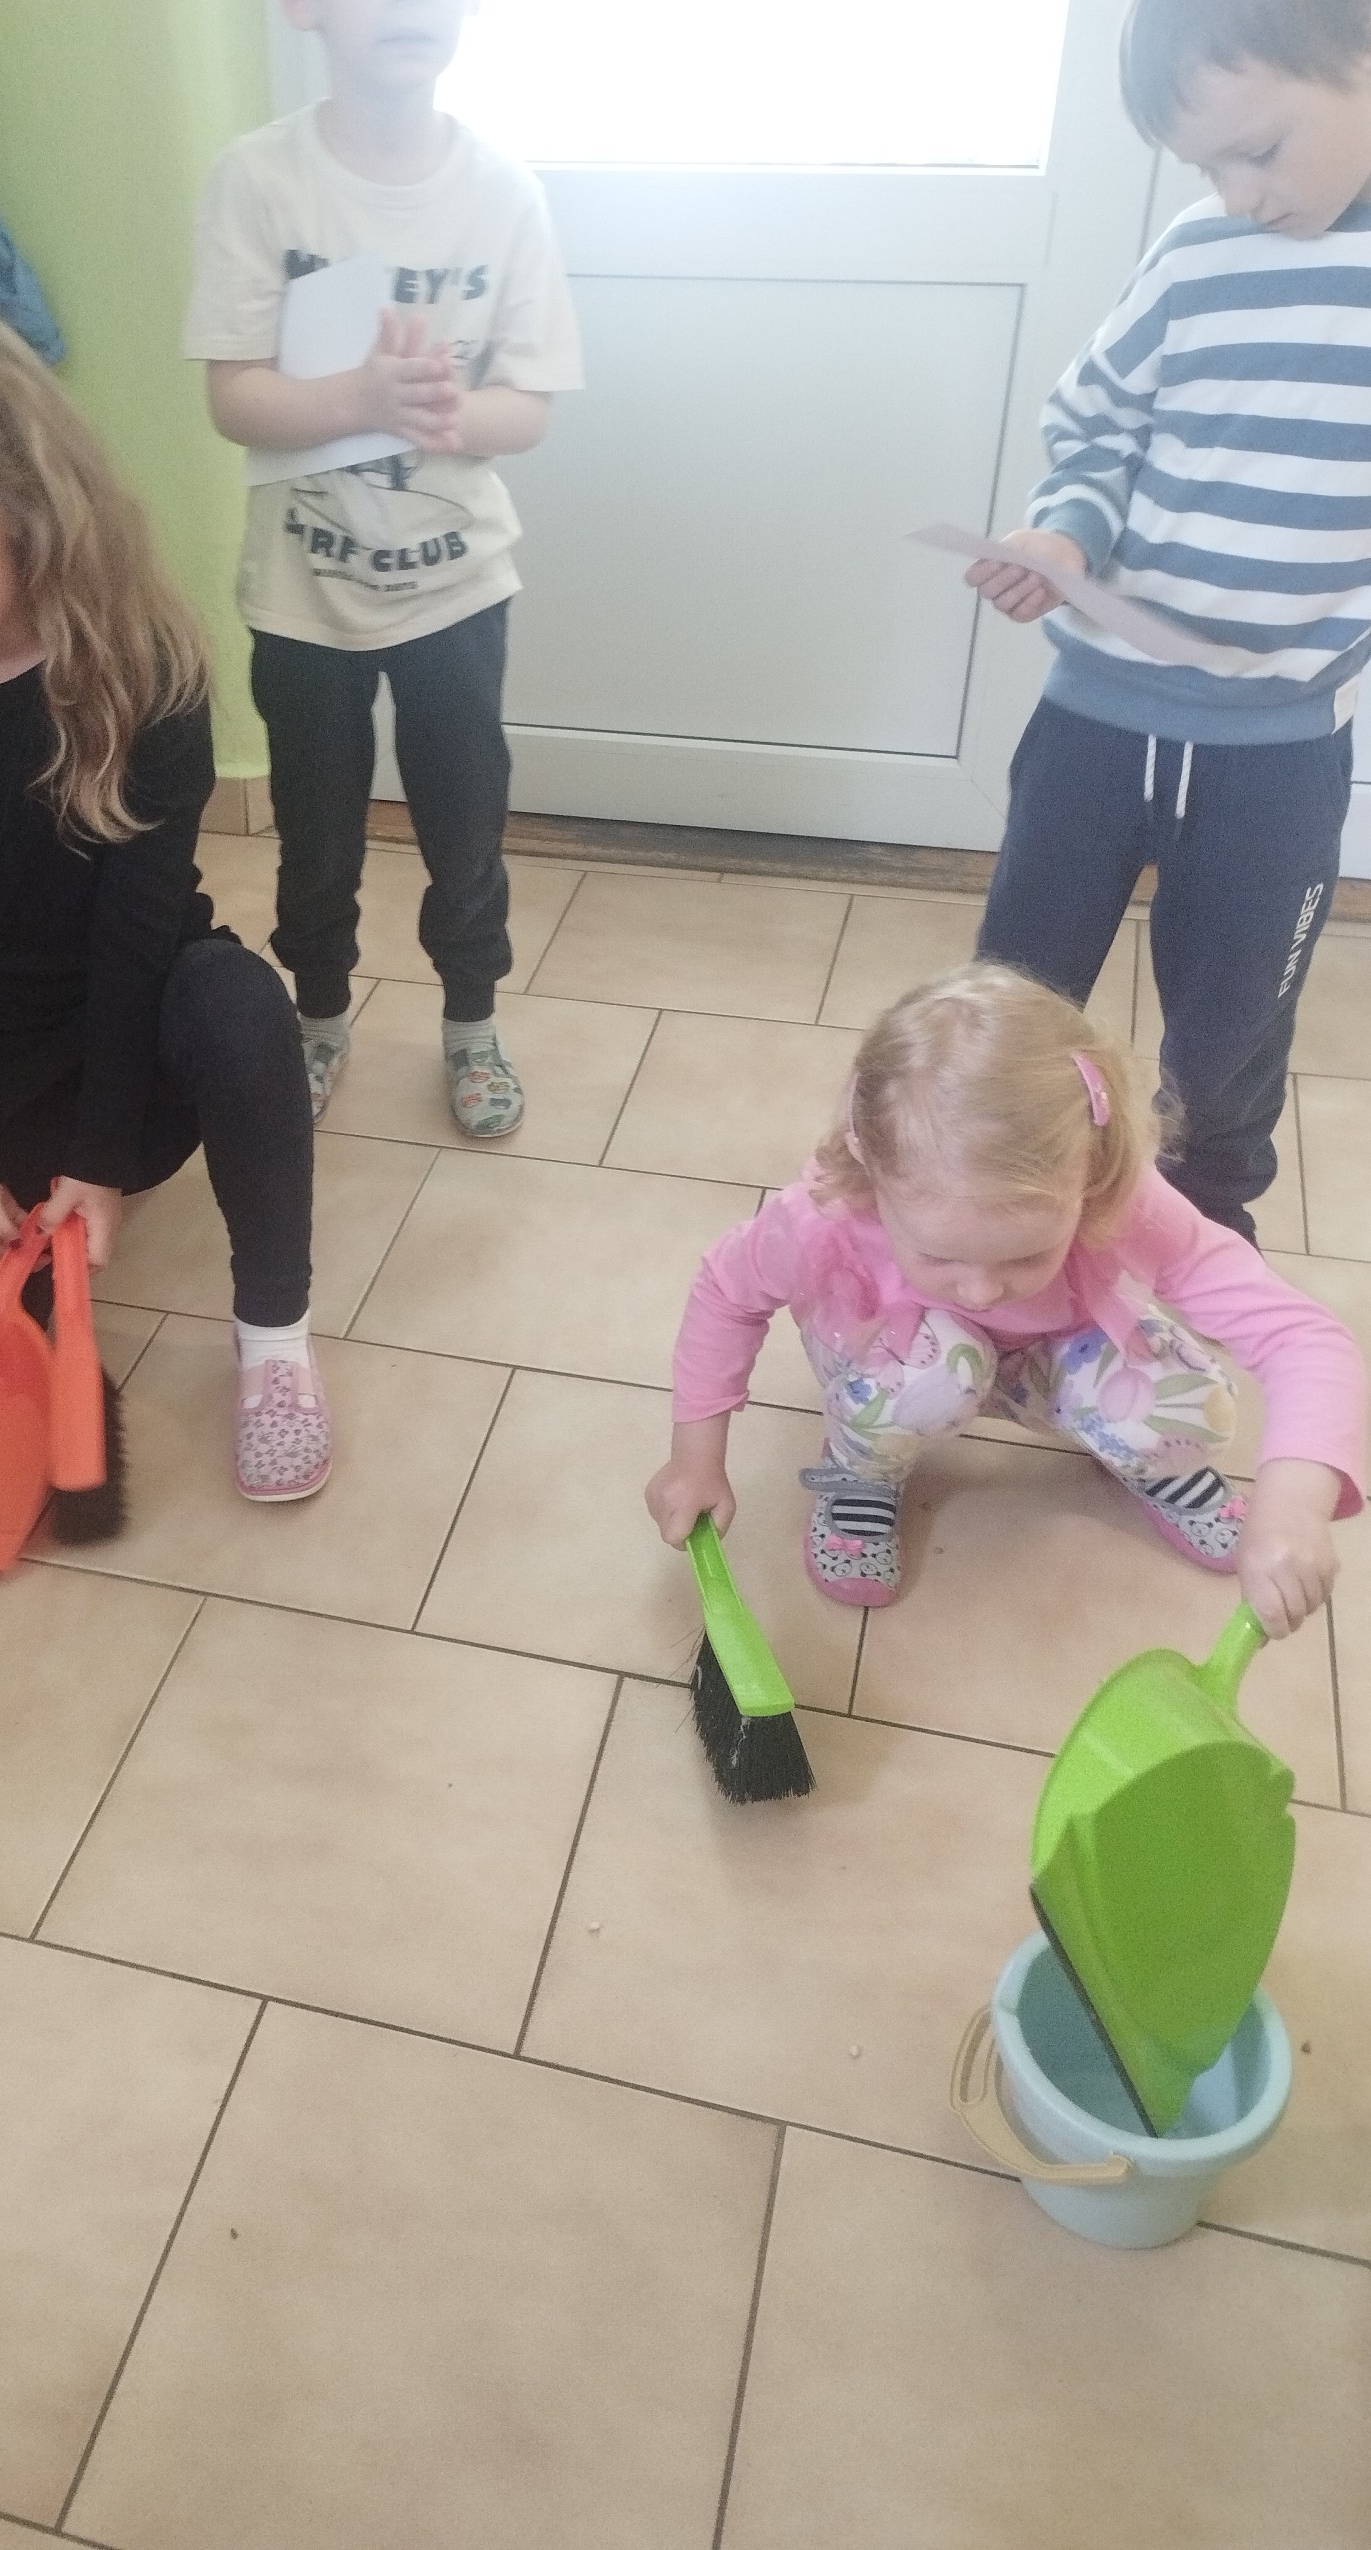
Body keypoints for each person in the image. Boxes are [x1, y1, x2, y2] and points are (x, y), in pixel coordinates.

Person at [0, 288, 331, 1503]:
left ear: (27, 494)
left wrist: (100, 1157)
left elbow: (136, 939)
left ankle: (277, 1342)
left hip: (146, 1021)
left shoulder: (145, 669)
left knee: (243, 1009)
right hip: (9, 1051)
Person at [967, 0, 1371, 1245]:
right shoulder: (1197, 256)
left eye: (1259, 151)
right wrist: (1063, 537)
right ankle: (977, 1208)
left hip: (1279, 755)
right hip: (1096, 726)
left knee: (1230, 1037)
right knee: (1011, 1006)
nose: (1239, 195)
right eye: (1206, 168)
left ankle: (1202, 1240)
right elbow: (1096, 430)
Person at [645, 965, 1364, 1640]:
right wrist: (695, 1459)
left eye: (1026, 1255)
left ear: (1091, 1174)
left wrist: (1294, 1505)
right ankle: (860, 1473)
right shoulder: (823, 1212)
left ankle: (1150, 1461)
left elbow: (1301, 1338)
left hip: (1045, 1357)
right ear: (869, 1161)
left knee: (1186, 1398)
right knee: (935, 1371)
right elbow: (725, 1293)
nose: (983, 1290)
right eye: (938, 1255)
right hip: (894, 1357)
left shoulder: (1120, 1196)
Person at [182, 0, 582, 1135]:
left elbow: (529, 408)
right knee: (315, 836)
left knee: (466, 825)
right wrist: (360, 398)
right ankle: (317, 1018)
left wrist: (442, 410)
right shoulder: (259, 178)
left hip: (459, 589)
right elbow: (233, 396)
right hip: (302, 596)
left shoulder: (504, 192)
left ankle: (471, 1024)